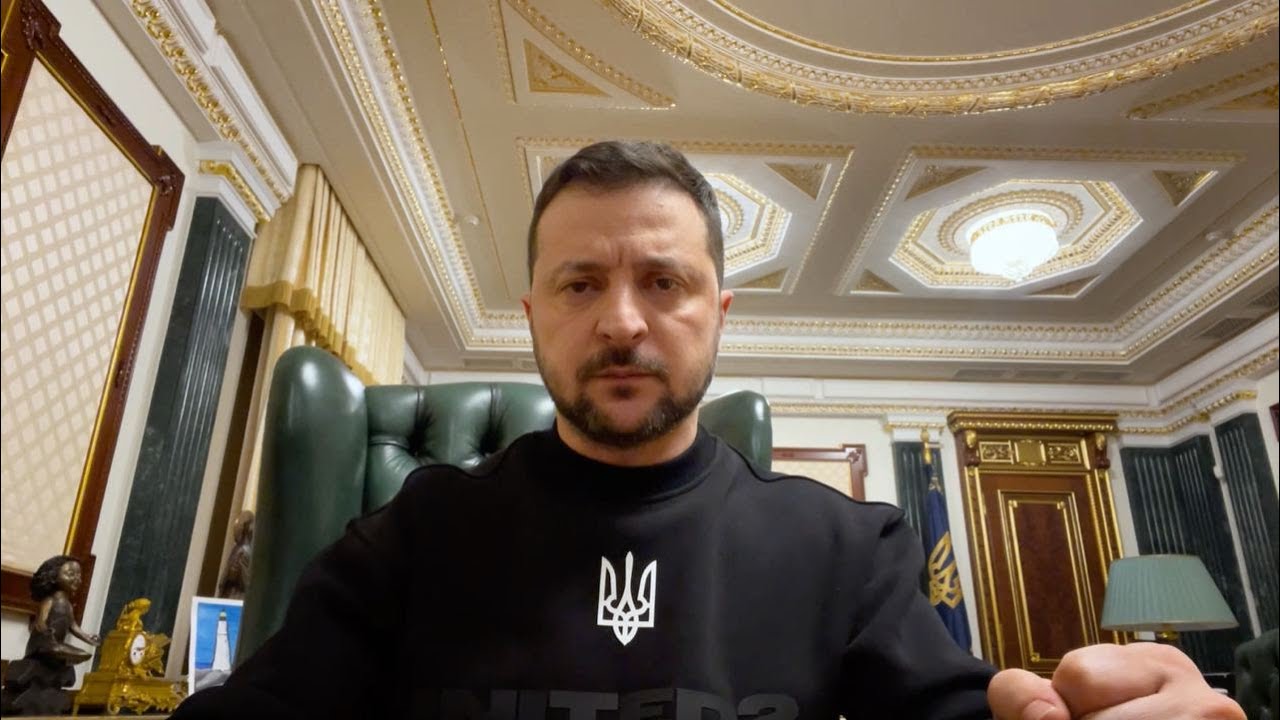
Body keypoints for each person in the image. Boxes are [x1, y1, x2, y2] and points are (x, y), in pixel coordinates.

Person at [172, 141, 1243, 719]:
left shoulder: (847, 548)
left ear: (719, 313)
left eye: (663, 281)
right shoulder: (414, 534)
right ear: (534, 314)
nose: (621, 321)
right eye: (580, 284)